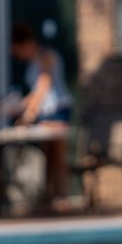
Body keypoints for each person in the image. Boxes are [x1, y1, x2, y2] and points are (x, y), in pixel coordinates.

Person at [10, 22, 73, 207]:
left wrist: (28, 116)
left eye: (17, 51)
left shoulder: (46, 56)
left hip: (58, 111)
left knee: (58, 156)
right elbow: (35, 92)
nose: (18, 56)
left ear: (26, 44)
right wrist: (19, 105)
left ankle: (62, 199)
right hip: (46, 113)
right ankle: (49, 198)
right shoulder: (34, 61)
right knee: (47, 156)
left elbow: (44, 86)